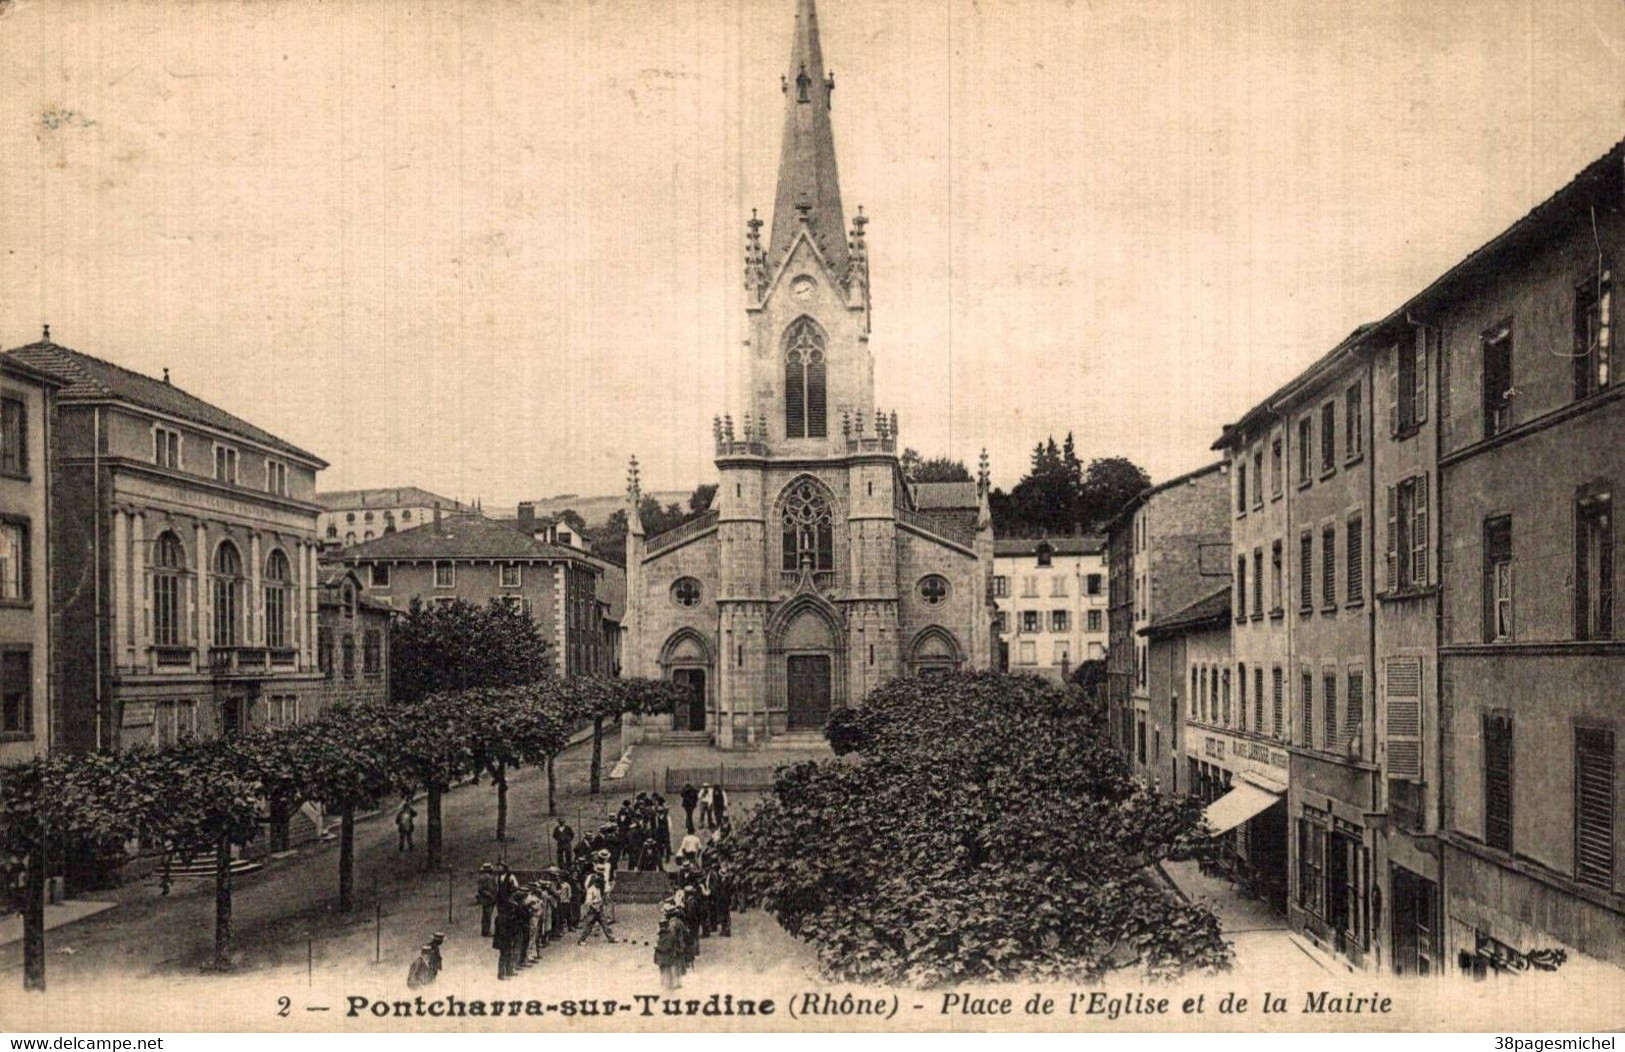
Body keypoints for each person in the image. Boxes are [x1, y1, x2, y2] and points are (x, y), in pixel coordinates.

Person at [578, 874, 616, 944]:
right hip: (592, 909)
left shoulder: (598, 889)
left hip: (599, 908)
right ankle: (581, 940)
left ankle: (611, 938)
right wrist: (595, 907)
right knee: (588, 926)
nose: (600, 885)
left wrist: (600, 905)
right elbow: (588, 901)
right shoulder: (590, 890)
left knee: (605, 924)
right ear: (596, 883)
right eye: (599, 884)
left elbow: (600, 898)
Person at [654, 904, 684, 989]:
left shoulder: (672, 925)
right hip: (677, 947)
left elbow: (671, 940)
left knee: (672, 967)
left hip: (675, 948)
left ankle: (671, 984)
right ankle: (675, 983)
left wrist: (658, 947)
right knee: (676, 966)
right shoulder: (677, 921)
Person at [711, 862, 734, 938]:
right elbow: (716, 888)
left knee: (725, 913)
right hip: (720, 898)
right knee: (721, 914)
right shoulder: (718, 877)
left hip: (725, 899)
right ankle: (724, 929)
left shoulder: (728, 878)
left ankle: (726, 930)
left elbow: (730, 889)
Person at [475, 863, 498, 937]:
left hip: (491, 899)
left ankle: (486, 930)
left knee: (488, 915)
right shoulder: (483, 878)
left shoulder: (490, 877)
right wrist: (489, 894)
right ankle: (485, 931)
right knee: (486, 916)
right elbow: (481, 889)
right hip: (487, 899)